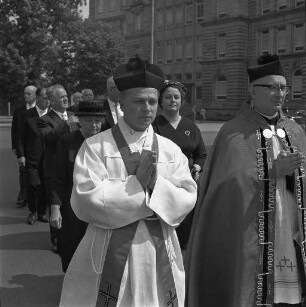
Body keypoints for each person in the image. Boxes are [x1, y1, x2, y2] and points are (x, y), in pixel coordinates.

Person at [59, 56, 197, 307]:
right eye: (139, 101)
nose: (148, 108)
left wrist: (155, 186)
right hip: (108, 249)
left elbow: (188, 195)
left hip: (158, 250)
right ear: (121, 102)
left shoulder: (170, 149)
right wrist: (137, 187)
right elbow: (83, 198)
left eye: (152, 101)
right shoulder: (96, 146)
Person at [185, 54, 306, 307]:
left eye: (283, 87)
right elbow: (228, 187)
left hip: (290, 228)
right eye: (271, 87)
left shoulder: (295, 130)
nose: (279, 93)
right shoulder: (234, 131)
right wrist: (273, 171)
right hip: (250, 231)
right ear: (253, 90)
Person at [49, 101, 106, 272]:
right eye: (88, 120)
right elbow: (58, 176)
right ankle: (71, 285)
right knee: (71, 244)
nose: (94, 125)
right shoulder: (67, 142)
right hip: (72, 204)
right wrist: (55, 208)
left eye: (98, 121)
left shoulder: (107, 142)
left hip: (100, 204)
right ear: (79, 120)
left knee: (99, 246)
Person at [152, 80, 206, 250]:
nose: (172, 100)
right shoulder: (153, 125)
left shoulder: (190, 125)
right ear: (161, 101)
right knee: (164, 226)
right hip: (162, 183)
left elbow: (201, 154)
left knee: (185, 227)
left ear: (182, 100)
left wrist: (197, 167)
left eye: (176, 97)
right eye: (168, 97)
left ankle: (183, 258)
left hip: (187, 183)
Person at [38, 85, 79, 252]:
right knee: (56, 204)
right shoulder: (44, 119)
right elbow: (47, 137)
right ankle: (55, 238)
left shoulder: (73, 115)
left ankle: (72, 235)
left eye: (66, 95)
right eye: (61, 97)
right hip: (54, 171)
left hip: (75, 168)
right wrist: (64, 124)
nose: (65, 98)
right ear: (52, 101)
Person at [16, 87, 50, 225]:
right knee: (33, 185)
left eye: (49, 98)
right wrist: (21, 155)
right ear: (37, 98)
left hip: (48, 158)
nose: (47, 101)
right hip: (32, 157)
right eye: (44, 98)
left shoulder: (52, 115)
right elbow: (20, 136)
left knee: (45, 186)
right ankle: (33, 212)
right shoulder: (27, 115)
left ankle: (42, 212)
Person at [11, 85, 37, 207]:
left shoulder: (41, 109)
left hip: (36, 147)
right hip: (23, 147)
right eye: (25, 93)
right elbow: (14, 130)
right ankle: (23, 196)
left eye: (29, 93)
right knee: (23, 172)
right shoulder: (18, 110)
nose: (26, 96)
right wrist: (15, 146)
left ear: (35, 95)